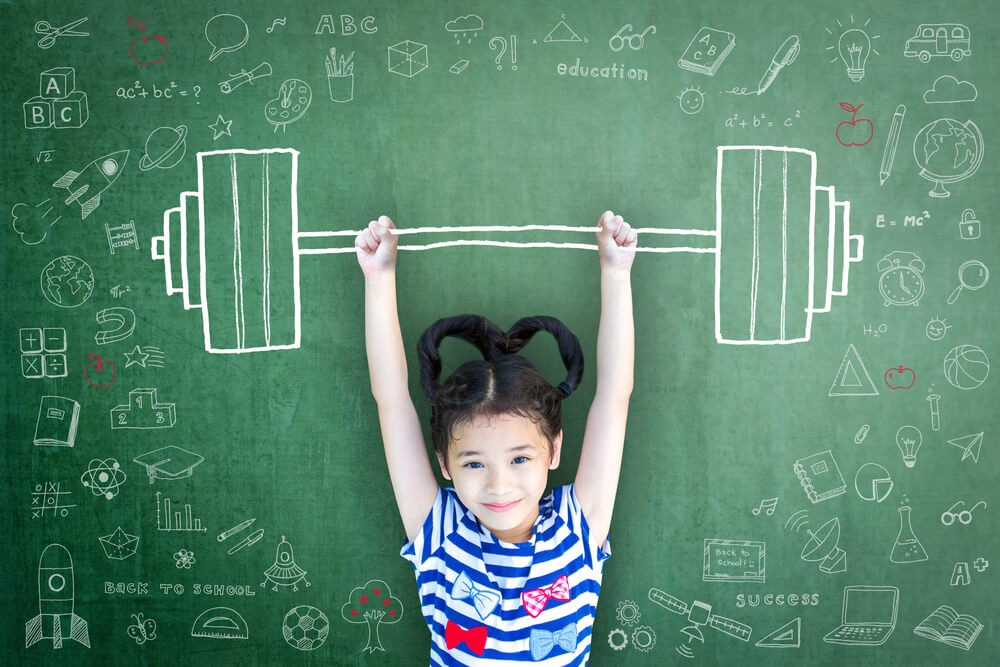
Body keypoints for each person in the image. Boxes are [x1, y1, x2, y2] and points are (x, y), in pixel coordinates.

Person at [356, 211, 636, 665]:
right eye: (473, 463)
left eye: (520, 459)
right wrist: (378, 277)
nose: (499, 485)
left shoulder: (577, 528)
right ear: (444, 465)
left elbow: (614, 398)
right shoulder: (441, 534)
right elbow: (391, 401)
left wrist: (616, 273)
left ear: (554, 450)